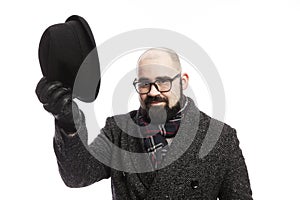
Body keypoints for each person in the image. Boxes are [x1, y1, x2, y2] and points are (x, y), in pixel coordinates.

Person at [36, 47, 253, 199]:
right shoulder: (118, 130)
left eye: (163, 82)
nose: (153, 92)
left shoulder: (220, 137)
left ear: (183, 81)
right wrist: (69, 125)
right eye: (144, 84)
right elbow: (77, 175)